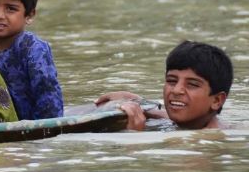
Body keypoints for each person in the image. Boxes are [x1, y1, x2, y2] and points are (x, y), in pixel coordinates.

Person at [96, 41, 233, 130]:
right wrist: (137, 102)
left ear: (216, 100)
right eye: (172, 81)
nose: (177, 90)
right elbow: (163, 114)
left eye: (192, 84)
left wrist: (134, 138)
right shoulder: (190, 122)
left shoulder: (210, 141)